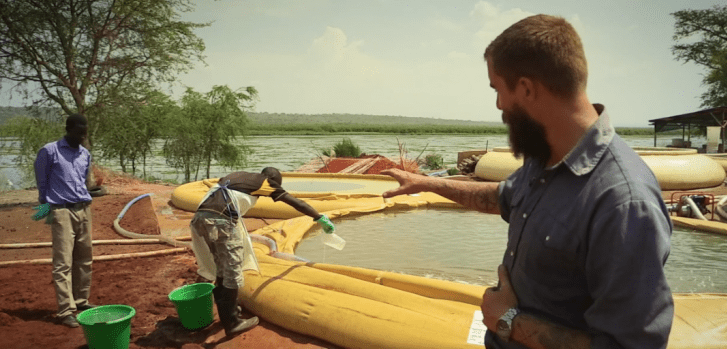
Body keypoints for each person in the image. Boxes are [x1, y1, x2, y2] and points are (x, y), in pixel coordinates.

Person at [382, 14, 673, 349]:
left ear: (526, 88)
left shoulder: (624, 202)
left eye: (497, 89)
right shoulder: (547, 157)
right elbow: (503, 197)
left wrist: (509, 322)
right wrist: (427, 184)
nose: (499, 105)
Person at [190, 167, 335, 337]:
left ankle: (228, 309)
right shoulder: (265, 182)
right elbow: (296, 203)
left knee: (222, 265)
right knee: (232, 270)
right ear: (271, 178)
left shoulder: (238, 176)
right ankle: (232, 323)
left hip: (201, 218)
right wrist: (318, 217)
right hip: (220, 222)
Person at [34, 114, 97, 328]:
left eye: (85, 134)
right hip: (60, 211)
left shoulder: (85, 154)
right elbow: (41, 182)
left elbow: (84, 182)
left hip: (83, 209)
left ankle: (80, 300)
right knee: (63, 263)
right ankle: (65, 310)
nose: (82, 137)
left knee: (85, 258)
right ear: (68, 129)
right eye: (79, 133)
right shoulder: (49, 151)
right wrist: (48, 207)